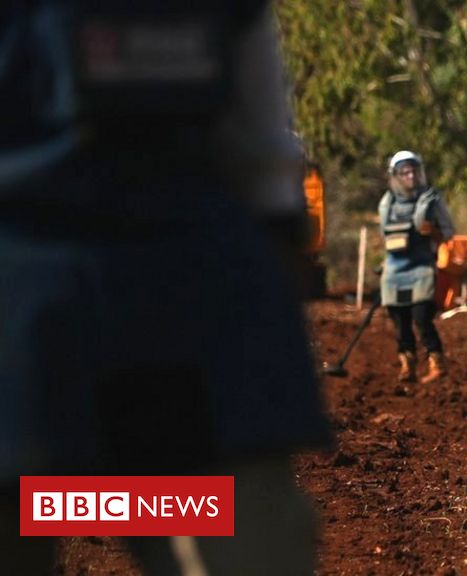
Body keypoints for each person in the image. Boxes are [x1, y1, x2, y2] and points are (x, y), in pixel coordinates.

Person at [0, 3, 330, 574]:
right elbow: (267, 165)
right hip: (83, 303)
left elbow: (266, 158)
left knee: (216, 524)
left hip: (183, 309)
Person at [377, 151, 455, 385]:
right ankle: (407, 363)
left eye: (414, 171)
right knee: (399, 319)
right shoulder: (387, 202)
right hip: (394, 269)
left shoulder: (431, 199)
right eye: (405, 172)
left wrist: (434, 233)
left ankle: (436, 363)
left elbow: (449, 232)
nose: (410, 176)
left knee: (421, 316)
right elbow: (384, 234)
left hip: (421, 267)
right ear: (396, 176)